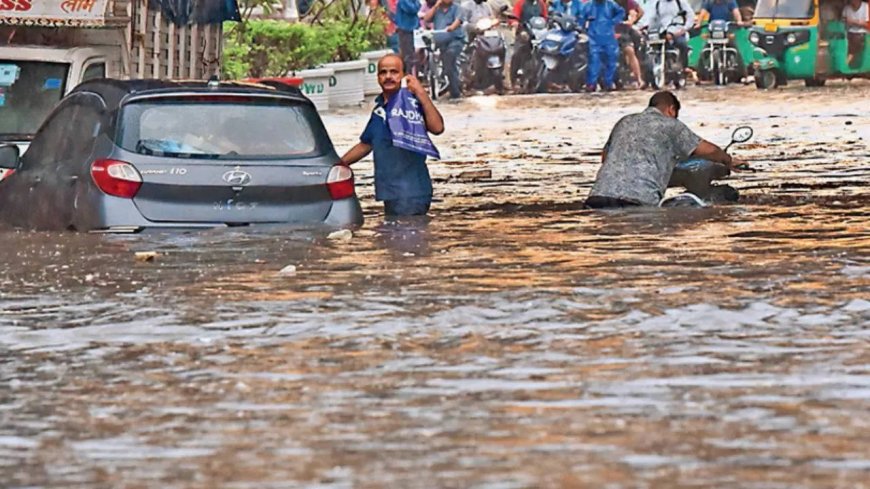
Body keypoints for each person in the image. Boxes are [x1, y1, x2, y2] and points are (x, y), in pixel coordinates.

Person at [585, 91, 748, 208]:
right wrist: (729, 160)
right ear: (671, 109)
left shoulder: (624, 122)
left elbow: (605, 158)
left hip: (596, 198)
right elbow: (710, 151)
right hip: (637, 202)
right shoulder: (671, 125)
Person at [339, 55, 445, 217]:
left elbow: (437, 128)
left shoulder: (411, 104)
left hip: (411, 192)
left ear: (404, 75)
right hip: (390, 192)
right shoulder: (379, 109)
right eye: (383, 72)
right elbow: (366, 144)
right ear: (378, 78)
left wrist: (421, 93)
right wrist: (337, 165)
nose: (388, 76)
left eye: (394, 72)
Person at [577, 0, 626, 92]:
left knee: (611, 61)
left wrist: (614, 21)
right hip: (593, 38)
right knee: (594, 61)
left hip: (609, 38)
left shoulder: (611, 4)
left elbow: (621, 12)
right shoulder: (588, 6)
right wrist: (581, 30)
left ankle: (608, 83)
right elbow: (581, 20)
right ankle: (591, 84)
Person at [422, 0, 466, 99]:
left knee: (450, 59)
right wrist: (435, 6)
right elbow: (426, 19)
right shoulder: (437, 9)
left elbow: (458, 21)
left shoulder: (457, 8)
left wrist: (451, 28)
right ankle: (440, 81)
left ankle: (455, 92)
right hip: (441, 42)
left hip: (455, 40)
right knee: (433, 55)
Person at [647, 0, 695, 71]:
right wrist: (648, 30)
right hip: (662, 32)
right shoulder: (657, 4)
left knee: (682, 44)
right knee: (654, 48)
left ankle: (685, 67)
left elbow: (690, 16)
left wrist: (684, 29)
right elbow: (652, 20)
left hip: (678, 31)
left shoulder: (680, 2)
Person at [614, 0, 645, 88]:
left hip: (624, 30)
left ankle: (639, 79)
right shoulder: (608, 3)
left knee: (629, 50)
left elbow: (635, 13)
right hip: (608, 30)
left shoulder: (628, 2)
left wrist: (631, 21)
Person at [395, 0, 422, 75]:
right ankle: (408, 76)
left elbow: (419, 5)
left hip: (415, 29)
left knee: (416, 54)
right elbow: (412, 9)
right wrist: (417, 5)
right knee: (408, 56)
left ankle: (417, 74)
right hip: (405, 30)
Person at [843, 0, 869, 68]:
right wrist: (846, 21)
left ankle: (847, 62)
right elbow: (843, 19)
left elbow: (867, 24)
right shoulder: (847, 8)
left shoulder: (865, 7)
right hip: (849, 32)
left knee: (855, 40)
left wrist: (854, 22)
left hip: (862, 33)